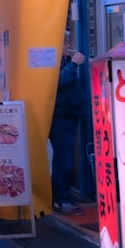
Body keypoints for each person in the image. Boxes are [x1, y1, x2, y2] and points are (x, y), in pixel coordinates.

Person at [49, 30, 87, 215]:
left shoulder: (62, 62)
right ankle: (60, 199)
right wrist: (74, 64)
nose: (68, 46)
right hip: (61, 118)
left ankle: (63, 196)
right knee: (63, 161)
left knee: (65, 160)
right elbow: (58, 81)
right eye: (65, 43)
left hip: (68, 117)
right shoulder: (55, 63)